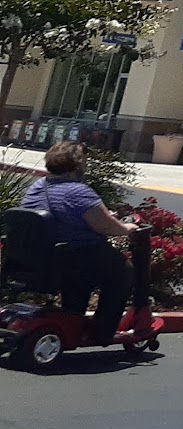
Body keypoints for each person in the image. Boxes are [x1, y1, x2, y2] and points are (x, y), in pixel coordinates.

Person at [21, 141, 138, 344]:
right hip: (75, 256)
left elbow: (69, 216)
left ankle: (73, 324)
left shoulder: (37, 187)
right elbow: (106, 227)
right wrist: (128, 228)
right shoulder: (78, 192)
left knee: (82, 277)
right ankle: (103, 330)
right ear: (78, 164)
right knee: (122, 270)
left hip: (43, 258)